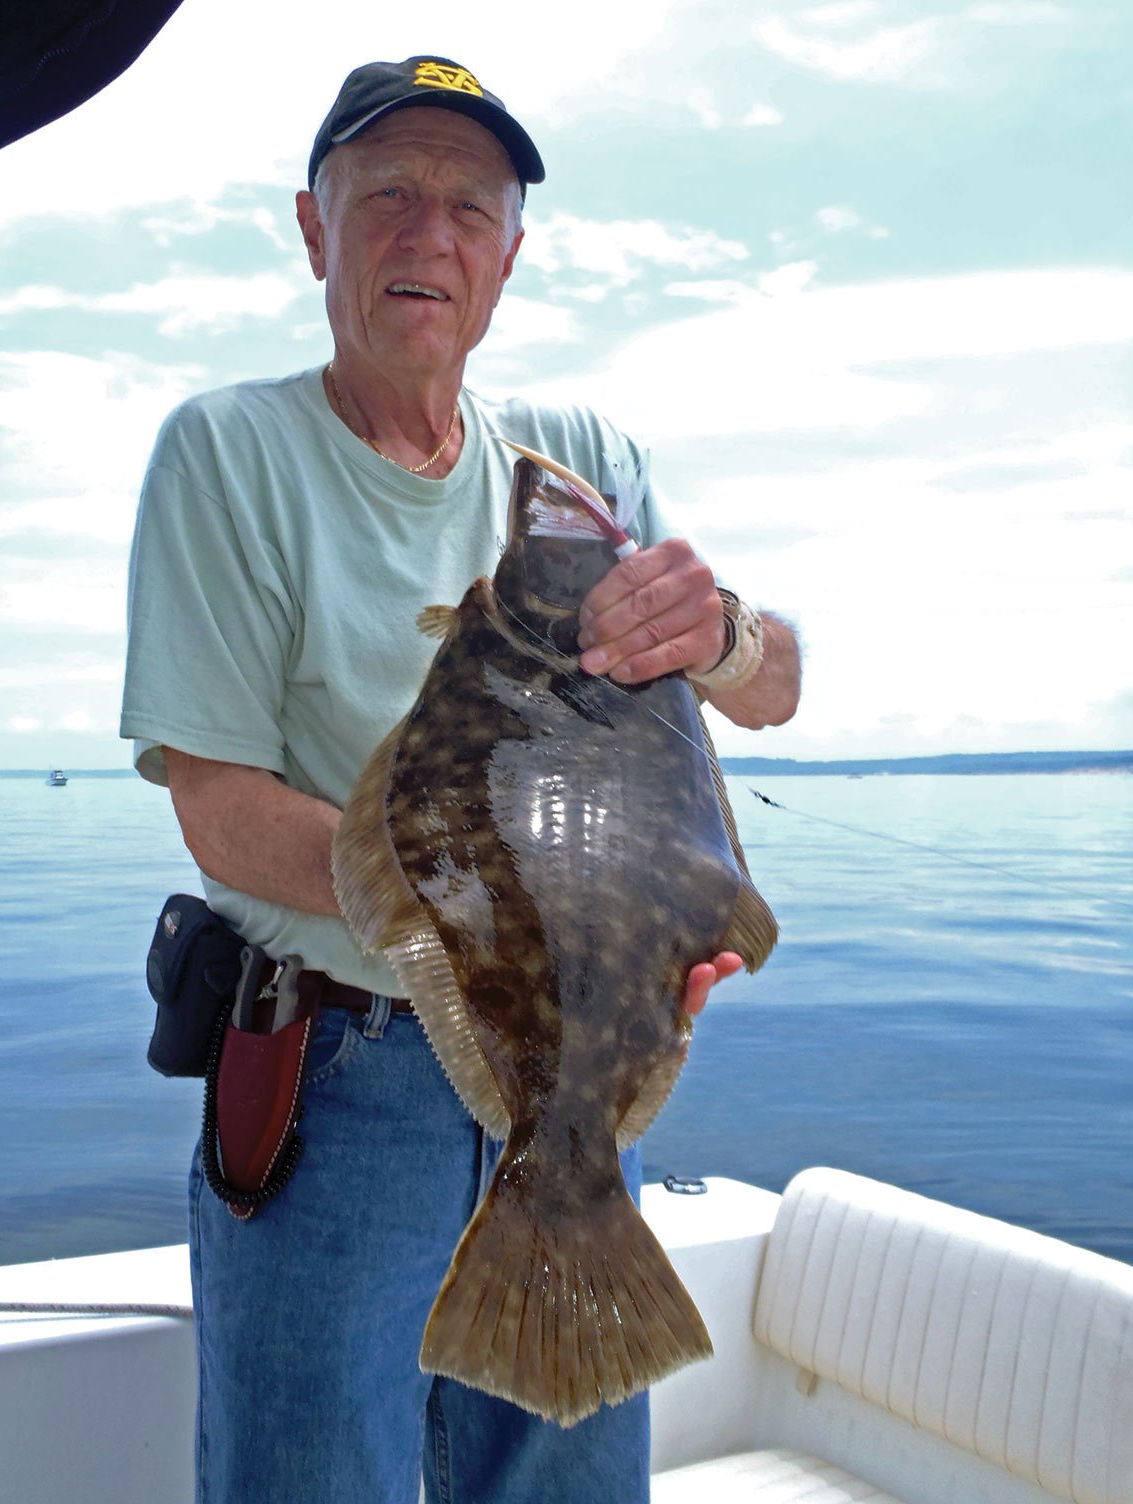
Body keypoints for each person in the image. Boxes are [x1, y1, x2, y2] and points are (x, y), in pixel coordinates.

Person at [121, 54, 801, 1504]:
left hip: (570, 1075)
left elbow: (768, 696)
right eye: (388, 198)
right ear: (315, 229)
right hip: (333, 1087)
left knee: (566, 1482)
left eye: (467, 210)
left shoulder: (590, 468)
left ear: (509, 257)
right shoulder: (228, 453)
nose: (427, 237)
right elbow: (220, 809)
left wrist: (724, 633)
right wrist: (469, 926)